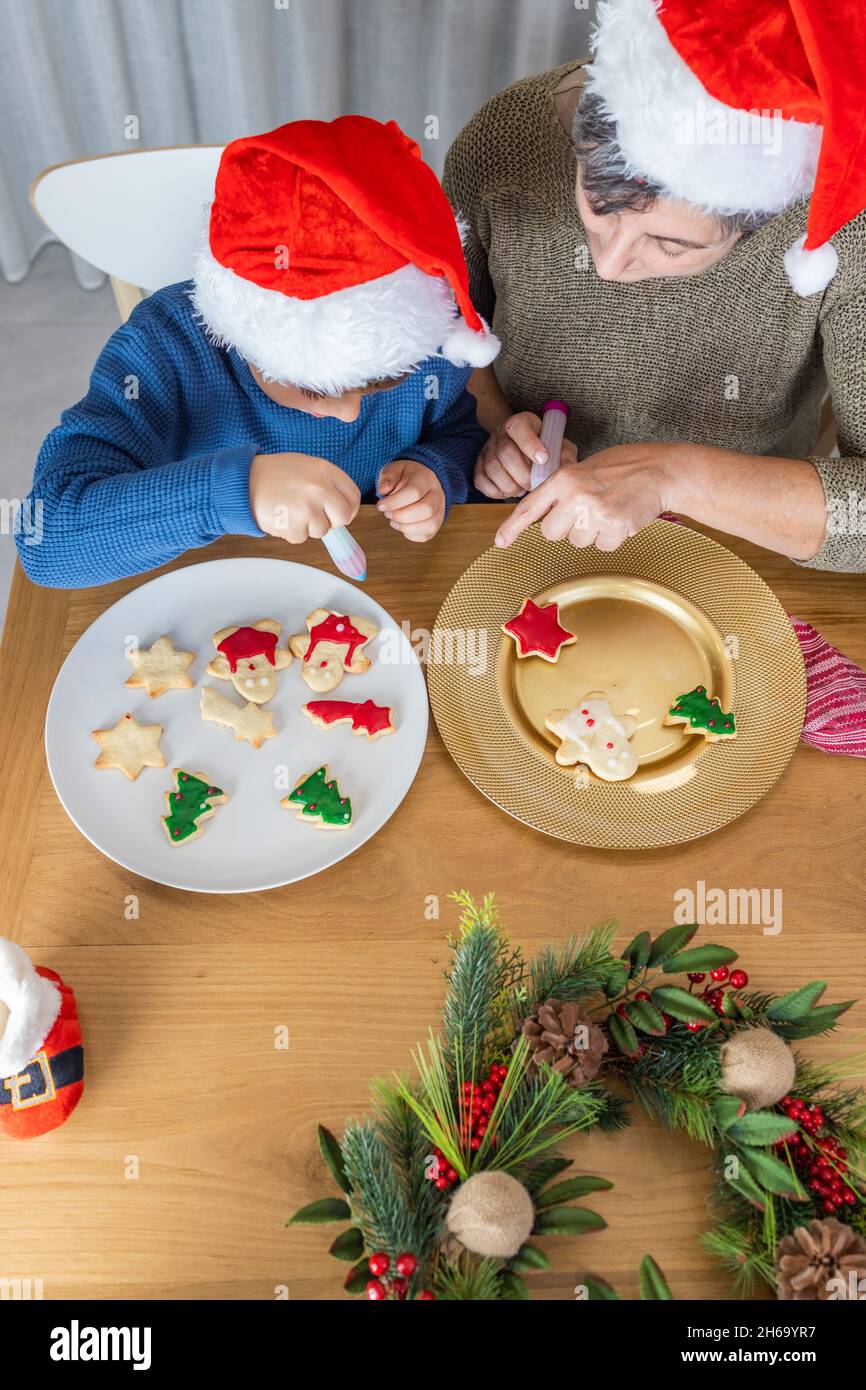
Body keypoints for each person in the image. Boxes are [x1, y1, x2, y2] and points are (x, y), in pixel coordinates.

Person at [443, 0, 866, 571]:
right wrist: (494, 423)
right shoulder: (505, 140)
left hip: (735, 545)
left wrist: (671, 478)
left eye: (670, 246)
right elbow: (443, 331)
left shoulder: (847, 223)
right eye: (599, 208)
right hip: (524, 520)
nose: (610, 267)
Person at [17, 115, 498, 589]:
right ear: (245, 334)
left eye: (383, 382)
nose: (351, 415)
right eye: (314, 388)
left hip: (365, 583)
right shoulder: (164, 350)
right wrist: (237, 491)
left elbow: (459, 431)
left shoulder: (422, 345)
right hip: (201, 583)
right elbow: (46, 538)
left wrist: (434, 472)